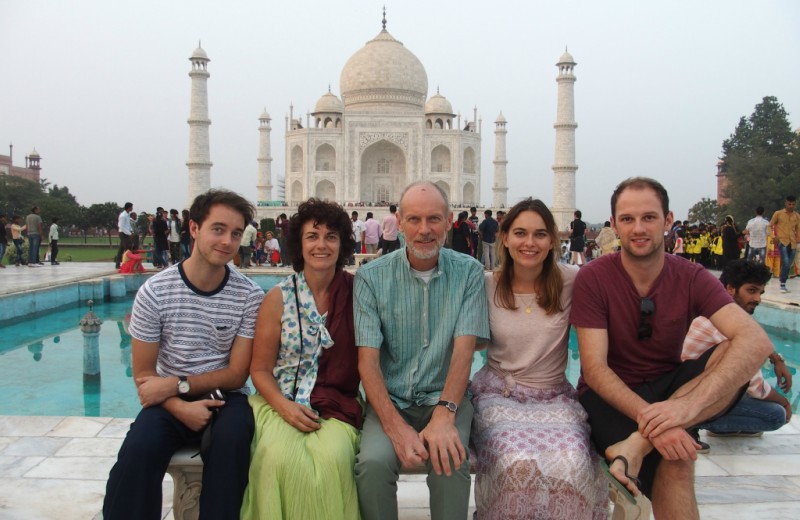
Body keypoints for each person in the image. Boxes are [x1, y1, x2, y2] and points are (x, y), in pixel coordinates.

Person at [570, 177, 772, 518]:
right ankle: (649, 434)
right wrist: (661, 421)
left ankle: (635, 446)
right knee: (678, 457)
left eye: (649, 217)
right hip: (610, 398)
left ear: (667, 221)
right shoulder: (595, 277)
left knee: (731, 352)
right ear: (615, 224)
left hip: (670, 391)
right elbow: (596, 370)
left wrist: (674, 414)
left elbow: (757, 340)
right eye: (628, 219)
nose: (638, 228)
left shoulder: (691, 275)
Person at [103, 189, 264, 520]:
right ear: (194, 229)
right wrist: (180, 404)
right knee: (138, 451)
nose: (227, 241)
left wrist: (177, 386)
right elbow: (145, 377)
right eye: (217, 229)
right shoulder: (156, 292)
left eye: (236, 233)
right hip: (168, 403)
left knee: (233, 442)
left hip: (225, 398)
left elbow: (237, 374)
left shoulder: (248, 295)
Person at [354, 181, 489, 520]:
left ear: (449, 221)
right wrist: (395, 428)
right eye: (414, 219)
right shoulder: (371, 277)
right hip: (391, 400)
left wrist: (445, 415)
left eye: (433, 219)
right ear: (399, 222)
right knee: (372, 464)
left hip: (445, 397)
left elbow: (463, 351)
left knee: (449, 457)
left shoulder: (468, 272)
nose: (424, 230)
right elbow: (367, 363)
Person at [471, 198, 608, 519]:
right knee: (515, 463)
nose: (529, 243)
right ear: (504, 238)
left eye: (539, 234)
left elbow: (617, 280)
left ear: (552, 241)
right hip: (498, 396)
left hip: (553, 397)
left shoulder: (572, 280)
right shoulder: (487, 286)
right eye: (520, 233)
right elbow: (467, 344)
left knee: (572, 462)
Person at [241, 199, 361, 520]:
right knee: (277, 457)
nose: (321, 244)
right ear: (299, 243)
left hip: (336, 401)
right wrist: (284, 406)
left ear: (342, 244)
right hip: (280, 399)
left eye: (331, 236)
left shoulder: (358, 294)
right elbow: (260, 370)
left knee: (333, 458)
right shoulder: (278, 298)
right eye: (313, 236)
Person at [682, 259, 791, 448]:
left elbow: (755, 337)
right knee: (776, 414)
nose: (758, 298)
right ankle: (689, 425)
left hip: (692, 391)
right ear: (731, 289)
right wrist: (785, 402)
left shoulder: (715, 311)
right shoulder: (721, 325)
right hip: (686, 398)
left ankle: (715, 423)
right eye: (751, 290)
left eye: (760, 292)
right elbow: (755, 386)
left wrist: (775, 358)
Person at [769, 195, 800, 293]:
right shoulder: (778, 214)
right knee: (786, 263)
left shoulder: (797, 216)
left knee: (789, 264)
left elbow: (798, 229)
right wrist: (774, 237)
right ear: (785, 203)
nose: (791, 206)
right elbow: (769, 226)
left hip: (793, 243)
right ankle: (782, 284)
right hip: (782, 242)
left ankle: (783, 282)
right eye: (789, 204)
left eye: (793, 204)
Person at [115, 202, 134, 269]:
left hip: (126, 233)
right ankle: (126, 264)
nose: (132, 208)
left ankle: (118, 264)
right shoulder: (123, 215)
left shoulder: (127, 215)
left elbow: (128, 225)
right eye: (131, 207)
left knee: (121, 249)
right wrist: (129, 233)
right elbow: (121, 226)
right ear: (128, 207)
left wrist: (131, 231)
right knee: (128, 248)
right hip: (123, 233)